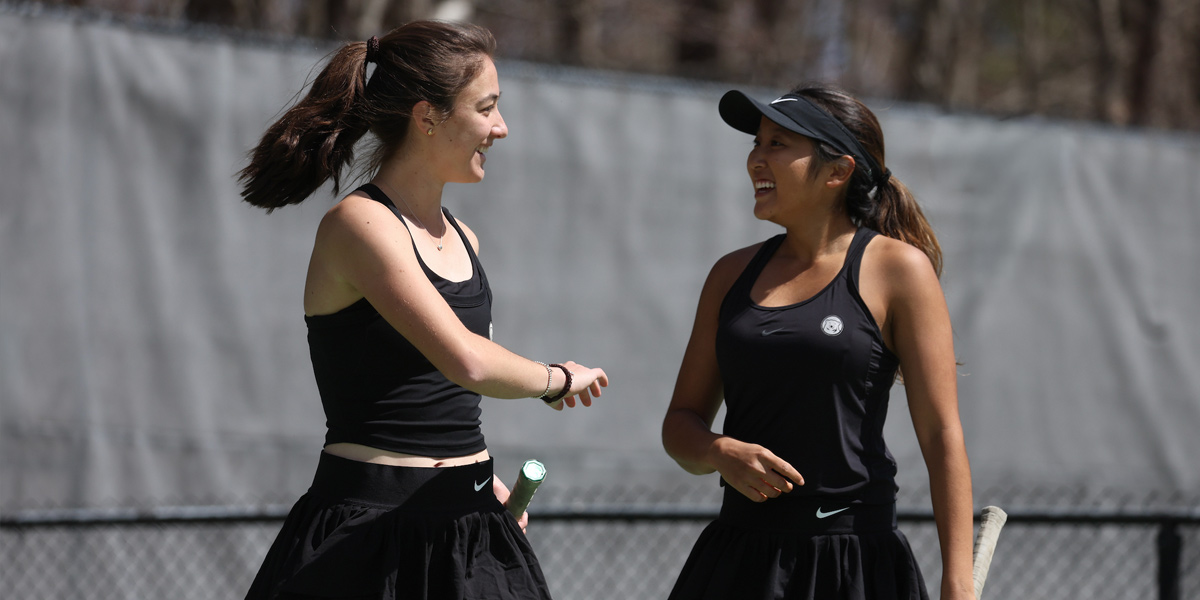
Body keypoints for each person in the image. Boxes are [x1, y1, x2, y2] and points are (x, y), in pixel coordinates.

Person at [238, 21, 607, 600]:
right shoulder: (359, 226)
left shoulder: (466, 239)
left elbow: (448, 398)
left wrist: (482, 477)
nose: (501, 129)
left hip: (473, 523)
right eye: (486, 108)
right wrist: (556, 379)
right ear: (427, 115)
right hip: (366, 539)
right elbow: (469, 362)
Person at [661, 84, 974, 600]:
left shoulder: (900, 271)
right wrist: (719, 452)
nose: (756, 160)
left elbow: (942, 434)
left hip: (855, 564)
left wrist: (957, 584)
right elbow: (680, 425)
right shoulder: (729, 275)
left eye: (778, 144)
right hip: (738, 561)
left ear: (838, 171)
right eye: (756, 143)